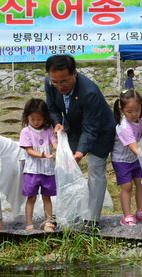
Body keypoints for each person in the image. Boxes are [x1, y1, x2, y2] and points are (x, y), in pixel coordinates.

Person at [44, 54, 116, 230]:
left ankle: (92, 220)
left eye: (64, 82)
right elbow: (52, 108)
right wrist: (57, 122)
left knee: (95, 170)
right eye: (56, 82)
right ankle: (72, 213)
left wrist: (80, 152)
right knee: (66, 167)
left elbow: (90, 128)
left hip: (100, 130)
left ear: (74, 73)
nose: (60, 86)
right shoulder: (49, 81)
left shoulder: (89, 92)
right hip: (73, 127)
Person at [19, 98, 58, 232]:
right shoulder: (26, 132)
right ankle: (29, 223)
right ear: (27, 117)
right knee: (31, 197)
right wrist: (41, 155)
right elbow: (28, 150)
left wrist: (61, 148)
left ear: (45, 118)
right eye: (32, 119)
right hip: (31, 171)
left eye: (39, 119)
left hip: (47, 171)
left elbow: (55, 144)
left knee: (47, 197)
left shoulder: (49, 130)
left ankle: (48, 222)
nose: (36, 122)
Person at [112, 90, 142, 226]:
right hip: (121, 160)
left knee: (140, 184)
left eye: (137, 110)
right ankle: (127, 216)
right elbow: (135, 148)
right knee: (127, 187)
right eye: (130, 111)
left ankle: (141, 211)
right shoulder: (123, 127)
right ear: (122, 110)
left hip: (135, 159)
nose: (134, 114)